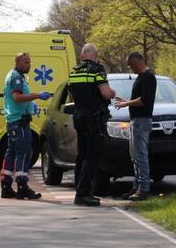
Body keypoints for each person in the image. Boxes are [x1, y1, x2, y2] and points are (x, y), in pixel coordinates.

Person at [67, 43, 116, 206]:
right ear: (95, 55)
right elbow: (105, 93)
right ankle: (83, 193)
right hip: (94, 119)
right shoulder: (97, 70)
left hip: (79, 117)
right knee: (93, 155)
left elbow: (73, 96)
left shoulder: (74, 72)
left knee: (82, 154)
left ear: (82, 55)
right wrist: (113, 93)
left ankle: (79, 190)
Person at [1, 52, 52, 200]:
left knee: (11, 153)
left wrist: (30, 104)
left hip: (14, 120)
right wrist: (37, 96)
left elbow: (17, 98)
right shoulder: (16, 77)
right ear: (17, 62)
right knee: (23, 153)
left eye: (29, 62)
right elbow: (17, 97)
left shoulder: (14, 75)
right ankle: (22, 187)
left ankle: (6, 186)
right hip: (19, 121)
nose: (29, 65)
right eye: (25, 62)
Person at [114, 52, 156, 201]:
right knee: (135, 157)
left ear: (136, 61)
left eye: (130, 65)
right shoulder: (141, 77)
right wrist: (126, 101)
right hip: (136, 120)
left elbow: (144, 100)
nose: (130, 68)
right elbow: (138, 99)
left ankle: (143, 189)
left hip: (142, 121)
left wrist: (126, 103)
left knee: (141, 156)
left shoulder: (148, 77)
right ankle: (136, 187)